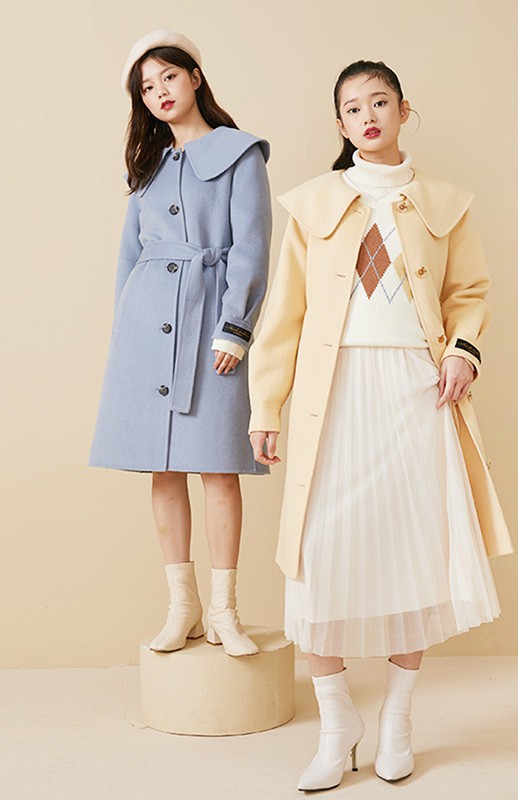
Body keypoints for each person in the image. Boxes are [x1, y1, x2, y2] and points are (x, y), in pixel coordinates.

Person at [249, 60, 513, 789]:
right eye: (352, 107)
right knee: (319, 553)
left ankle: (397, 720)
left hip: (414, 394)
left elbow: (469, 293)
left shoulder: (445, 204)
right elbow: (284, 315)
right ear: (339, 123)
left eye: (380, 102)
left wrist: (463, 352)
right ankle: (338, 726)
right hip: (331, 395)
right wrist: (266, 405)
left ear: (403, 110)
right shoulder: (312, 205)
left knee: (411, 550)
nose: (367, 116)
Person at [90, 30, 272, 658]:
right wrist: (126, 334)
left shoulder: (240, 154)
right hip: (147, 330)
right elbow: (129, 257)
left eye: (168, 76)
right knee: (163, 468)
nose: (160, 92)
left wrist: (236, 327)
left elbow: (252, 246)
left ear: (194, 76)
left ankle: (225, 610)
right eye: (147, 87)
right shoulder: (146, 168)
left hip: (211, 321)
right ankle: (182, 606)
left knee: (219, 466)